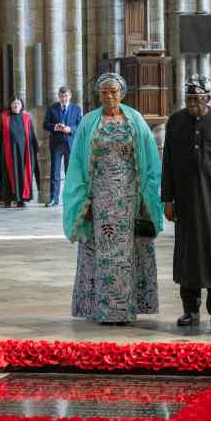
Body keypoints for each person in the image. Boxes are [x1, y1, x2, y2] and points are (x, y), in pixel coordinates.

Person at [62, 73, 162, 324]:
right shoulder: (89, 123)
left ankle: (125, 308)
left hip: (130, 198)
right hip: (99, 199)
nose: (109, 96)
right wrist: (82, 200)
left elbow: (150, 160)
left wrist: (146, 197)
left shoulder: (135, 121)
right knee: (102, 253)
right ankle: (103, 309)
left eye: (114, 91)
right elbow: (76, 163)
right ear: (99, 94)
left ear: (122, 93)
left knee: (127, 254)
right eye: (104, 92)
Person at [161, 74, 211, 328]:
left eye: (198, 99)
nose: (193, 103)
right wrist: (167, 199)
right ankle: (190, 311)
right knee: (188, 257)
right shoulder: (175, 122)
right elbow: (168, 163)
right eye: (189, 99)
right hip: (185, 203)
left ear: (209, 98)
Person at [0, 96, 40, 208]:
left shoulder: (27, 118)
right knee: (6, 175)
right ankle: (8, 198)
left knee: (22, 175)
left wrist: (36, 149)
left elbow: (31, 135)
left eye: (18, 103)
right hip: (7, 154)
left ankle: (20, 199)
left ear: (21, 105)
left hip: (23, 155)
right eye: (14, 103)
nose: (16, 105)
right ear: (10, 105)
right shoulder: (3, 117)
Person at [43, 86, 83, 207]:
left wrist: (70, 129)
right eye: (61, 96)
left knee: (70, 172)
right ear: (58, 96)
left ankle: (71, 198)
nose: (63, 99)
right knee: (54, 171)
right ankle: (53, 199)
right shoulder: (52, 108)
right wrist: (56, 127)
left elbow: (80, 125)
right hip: (56, 144)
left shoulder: (76, 109)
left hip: (70, 144)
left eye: (65, 96)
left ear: (70, 96)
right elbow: (45, 124)